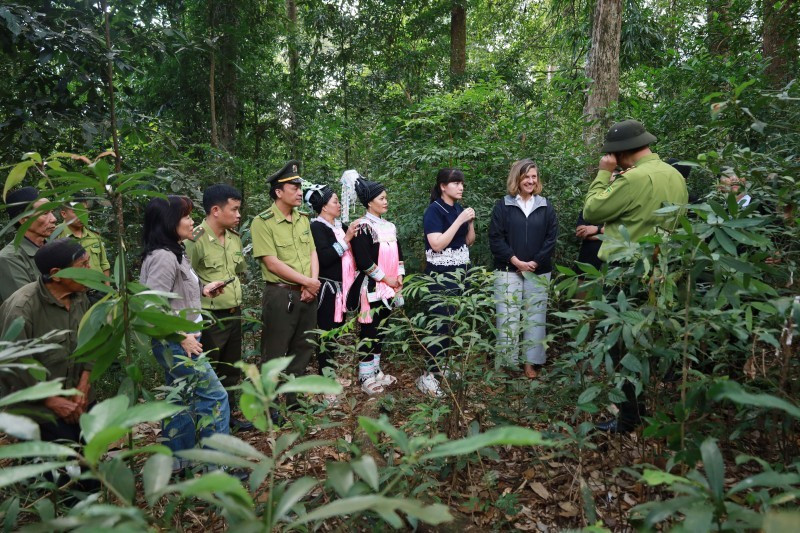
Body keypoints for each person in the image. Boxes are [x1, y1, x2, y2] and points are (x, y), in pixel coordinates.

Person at [582, 119, 688, 433]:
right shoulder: (674, 175)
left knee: (622, 346)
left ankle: (630, 417)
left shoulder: (633, 179)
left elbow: (592, 210)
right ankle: (647, 406)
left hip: (625, 273)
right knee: (650, 341)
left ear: (621, 151)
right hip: (662, 271)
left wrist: (603, 173)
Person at [140, 195, 230, 466]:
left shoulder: (175, 251)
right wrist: (181, 337)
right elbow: (151, 308)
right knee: (215, 397)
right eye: (186, 216)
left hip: (184, 337)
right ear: (170, 222)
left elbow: (174, 293)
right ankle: (218, 468)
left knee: (180, 399)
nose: (192, 222)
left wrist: (203, 289)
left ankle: (179, 464)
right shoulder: (164, 257)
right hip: (178, 341)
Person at [0, 239, 93, 442]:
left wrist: (83, 386)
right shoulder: (22, 308)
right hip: (40, 414)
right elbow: (13, 364)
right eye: (83, 265)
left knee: (89, 459)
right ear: (56, 274)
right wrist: (52, 401)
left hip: (80, 404)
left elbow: (91, 341)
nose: (90, 270)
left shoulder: (80, 297)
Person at [251, 160, 320, 409]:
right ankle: (267, 407)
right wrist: (308, 282)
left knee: (303, 348)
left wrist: (312, 283)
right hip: (281, 295)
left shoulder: (303, 219)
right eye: (294, 187)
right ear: (279, 192)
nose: (300, 192)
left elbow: (312, 252)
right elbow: (272, 263)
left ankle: (294, 401)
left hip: (308, 293)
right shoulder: (263, 222)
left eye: (300, 187)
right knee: (274, 351)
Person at [184, 184, 251, 431]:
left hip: (234, 313)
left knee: (230, 369)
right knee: (209, 370)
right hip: (209, 317)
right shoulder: (195, 240)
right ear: (215, 210)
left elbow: (238, 270)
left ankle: (227, 418)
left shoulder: (234, 238)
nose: (238, 215)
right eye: (234, 209)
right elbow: (185, 278)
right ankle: (207, 424)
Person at [489, 159, 558, 379]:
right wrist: (516, 262)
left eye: (534, 176)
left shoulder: (545, 206)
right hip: (508, 270)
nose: (530, 181)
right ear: (517, 179)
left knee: (535, 317)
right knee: (507, 316)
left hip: (539, 270)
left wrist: (534, 263)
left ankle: (530, 363)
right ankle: (508, 364)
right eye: (526, 176)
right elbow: (495, 238)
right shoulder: (503, 205)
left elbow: (551, 238)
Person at [418, 168, 475, 397]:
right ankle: (429, 375)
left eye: (462, 183)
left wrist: (470, 222)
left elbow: (469, 241)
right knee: (439, 323)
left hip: (461, 273)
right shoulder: (434, 210)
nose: (461, 187)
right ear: (443, 186)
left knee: (453, 323)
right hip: (441, 276)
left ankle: (443, 366)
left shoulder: (458, 208)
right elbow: (436, 244)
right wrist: (460, 220)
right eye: (455, 183)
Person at [346, 177, 403, 395]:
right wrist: (386, 279)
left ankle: (376, 370)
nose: (386, 201)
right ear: (369, 202)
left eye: (386, 198)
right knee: (369, 329)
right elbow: (363, 260)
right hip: (370, 287)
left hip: (390, 286)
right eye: (381, 198)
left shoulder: (390, 226)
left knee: (382, 328)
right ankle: (365, 375)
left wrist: (400, 278)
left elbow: (399, 255)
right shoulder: (362, 226)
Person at [306, 184, 357, 373]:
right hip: (327, 290)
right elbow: (324, 258)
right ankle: (325, 374)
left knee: (336, 330)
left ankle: (330, 372)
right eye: (335, 202)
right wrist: (346, 239)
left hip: (343, 287)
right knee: (326, 332)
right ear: (324, 207)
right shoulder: (316, 227)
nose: (339, 205)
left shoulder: (340, 226)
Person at [0, 187, 57, 304]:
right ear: (24, 219)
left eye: (52, 212)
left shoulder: (57, 248)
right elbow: (25, 306)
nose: (54, 219)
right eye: (45, 213)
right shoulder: (9, 258)